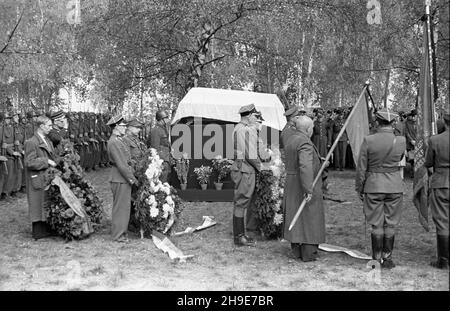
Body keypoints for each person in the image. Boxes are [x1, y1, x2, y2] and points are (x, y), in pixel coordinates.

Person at [355, 109, 406, 269]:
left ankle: (376, 259)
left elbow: (361, 168)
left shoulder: (369, 140)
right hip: (394, 185)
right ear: (393, 123)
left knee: (376, 225)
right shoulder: (401, 140)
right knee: (390, 224)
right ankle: (388, 258)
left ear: (377, 122)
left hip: (374, 185)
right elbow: (399, 159)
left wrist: (360, 188)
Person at [283, 115, 325, 262]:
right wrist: (308, 189)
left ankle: (296, 250)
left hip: (291, 181)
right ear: (308, 129)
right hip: (303, 183)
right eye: (312, 128)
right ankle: (308, 252)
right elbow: (305, 166)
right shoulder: (305, 143)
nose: (313, 130)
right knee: (310, 216)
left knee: (295, 213)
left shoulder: (291, 139)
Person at [230, 103, 265, 246]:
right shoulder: (244, 130)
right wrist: (260, 167)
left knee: (240, 202)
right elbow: (250, 155)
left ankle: (240, 235)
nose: (255, 118)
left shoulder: (237, 128)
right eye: (255, 116)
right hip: (245, 169)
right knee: (242, 202)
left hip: (241, 168)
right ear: (249, 116)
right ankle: (239, 237)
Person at [24, 115, 57, 240]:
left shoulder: (46, 140)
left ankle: (46, 229)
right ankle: (38, 232)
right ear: (41, 126)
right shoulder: (31, 142)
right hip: (37, 178)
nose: (51, 128)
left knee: (45, 202)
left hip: (46, 177)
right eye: (49, 125)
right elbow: (29, 162)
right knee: (37, 203)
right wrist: (46, 161)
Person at [424, 108, 449, 269]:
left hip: (441, 182)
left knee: (442, 221)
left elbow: (428, 163)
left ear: (445, 122)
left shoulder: (435, 140)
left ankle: (443, 260)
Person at [107, 114, 138, 242]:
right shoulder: (114, 142)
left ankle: (121, 232)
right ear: (116, 127)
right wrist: (132, 179)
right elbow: (121, 164)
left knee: (124, 207)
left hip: (121, 177)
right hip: (120, 178)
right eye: (123, 125)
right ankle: (118, 235)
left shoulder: (118, 140)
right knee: (121, 208)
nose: (125, 127)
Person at [150, 110, 172, 183]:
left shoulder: (163, 128)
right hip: (161, 160)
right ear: (161, 119)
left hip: (165, 158)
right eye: (166, 118)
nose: (168, 120)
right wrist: (158, 162)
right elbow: (154, 148)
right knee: (162, 181)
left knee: (166, 180)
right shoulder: (155, 130)